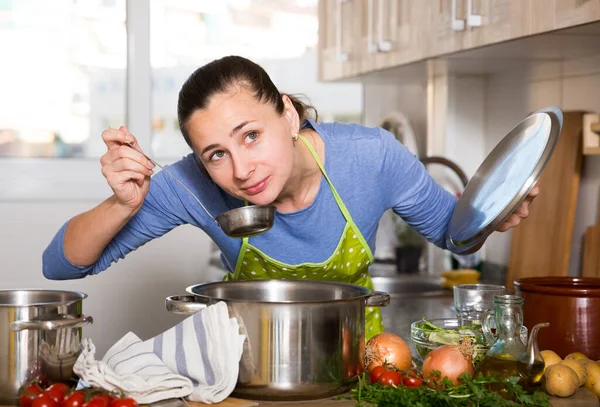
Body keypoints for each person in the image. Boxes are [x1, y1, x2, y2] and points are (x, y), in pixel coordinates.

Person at [42, 55, 538, 340]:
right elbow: (62, 266)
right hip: (249, 374)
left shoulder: (370, 158)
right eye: (216, 153)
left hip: (358, 367)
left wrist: (495, 210)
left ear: (285, 113)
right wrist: (122, 204)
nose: (240, 170)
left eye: (251, 135)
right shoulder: (190, 184)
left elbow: (457, 236)